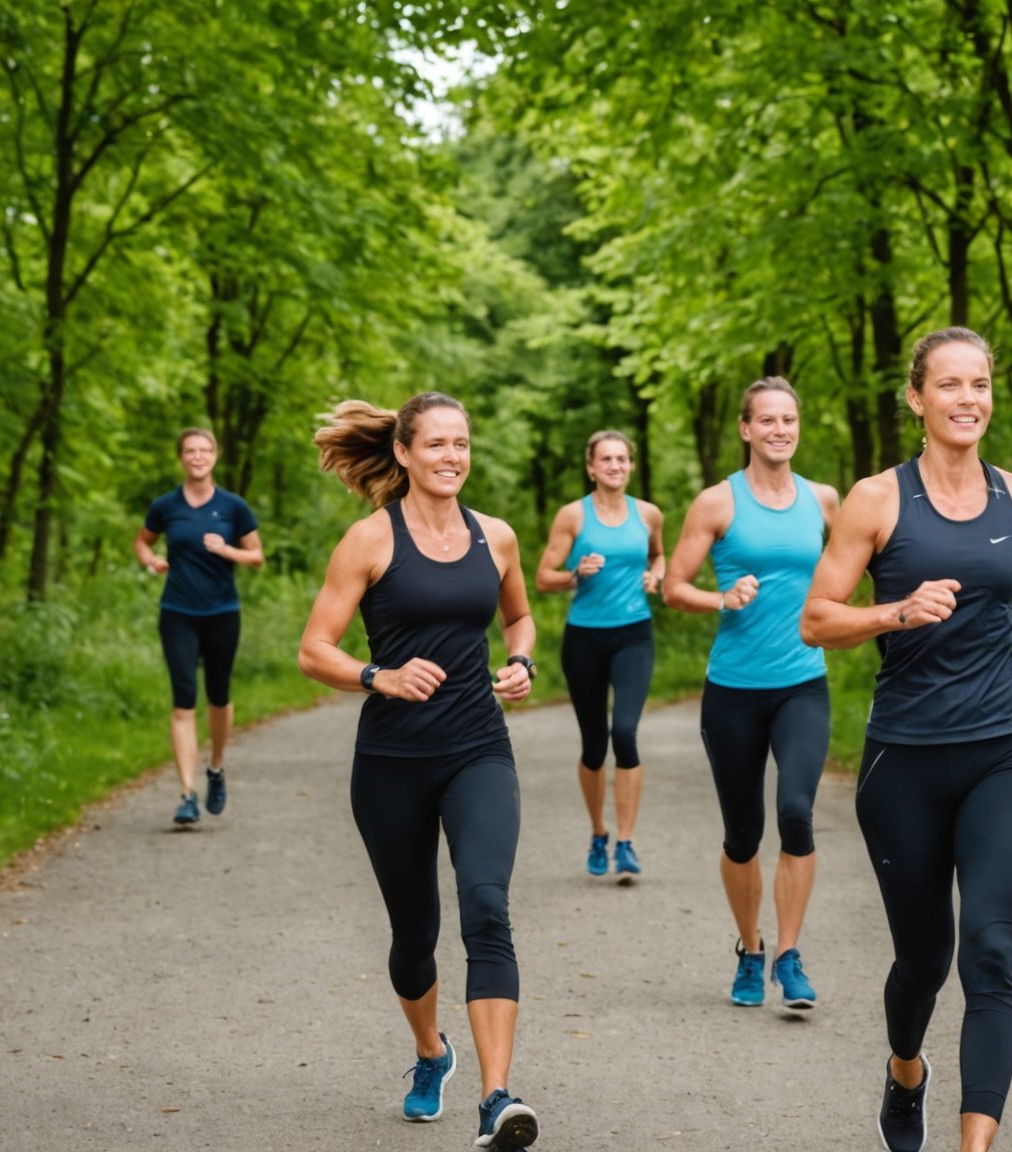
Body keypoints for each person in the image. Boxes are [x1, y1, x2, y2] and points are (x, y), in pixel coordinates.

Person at [801, 329, 1012, 1152]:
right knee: (924, 959)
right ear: (916, 399)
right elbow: (817, 618)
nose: (967, 399)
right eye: (948, 385)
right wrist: (895, 611)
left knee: (991, 953)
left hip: (1002, 754)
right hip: (904, 761)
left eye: (980, 383)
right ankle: (906, 1068)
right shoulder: (877, 499)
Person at [299, 392, 541, 1151]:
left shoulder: (495, 538)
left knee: (486, 907)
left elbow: (521, 618)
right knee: (415, 935)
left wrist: (522, 660)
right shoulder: (369, 541)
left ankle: (496, 1098)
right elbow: (315, 650)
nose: (451, 457)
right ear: (403, 453)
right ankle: (432, 1052)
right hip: (392, 762)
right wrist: (381, 676)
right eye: (435, 444)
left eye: (461, 443)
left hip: (478, 749)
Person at [663, 377, 839, 1011]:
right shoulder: (717, 503)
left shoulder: (823, 500)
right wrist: (720, 597)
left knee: (796, 812)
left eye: (788, 419)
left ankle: (789, 956)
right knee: (743, 833)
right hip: (733, 690)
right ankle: (750, 947)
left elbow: (857, 566)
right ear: (745, 429)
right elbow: (673, 586)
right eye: (766, 420)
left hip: (803, 685)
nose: (779, 430)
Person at [534, 430, 665, 881]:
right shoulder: (573, 516)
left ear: (630, 465)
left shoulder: (648, 514)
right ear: (591, 467)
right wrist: (575, 573)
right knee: (594, 744)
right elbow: (542, 578)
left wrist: (656, 576)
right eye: (606, 459)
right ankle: (598, 832)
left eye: (622, 458)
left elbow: (659, 557)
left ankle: (626, 843)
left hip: (634, 634)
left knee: (624, 732)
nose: (615, 465)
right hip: (584, 638)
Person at [135, 428, 264, 825]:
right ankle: (187, 793)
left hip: (223, 612)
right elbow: (143, 541)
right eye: (190, 451)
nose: (197, 456)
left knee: (219, 698)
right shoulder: (165, 505)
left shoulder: (233, 507)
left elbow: (257, 555)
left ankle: (216, 766)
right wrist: (151, 561)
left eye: (205, 450)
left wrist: (226, 550)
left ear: (215, 456)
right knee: (183, 699)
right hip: (177, 612)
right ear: (181, 458)